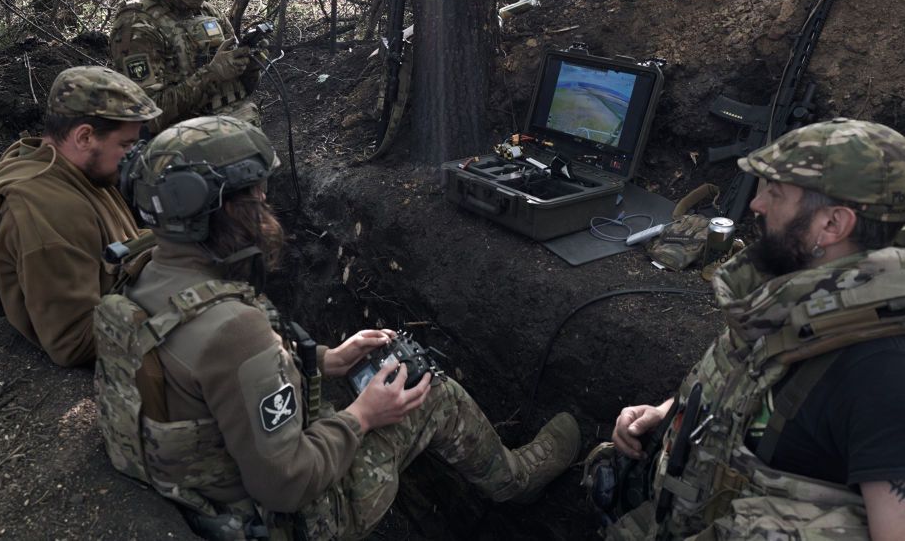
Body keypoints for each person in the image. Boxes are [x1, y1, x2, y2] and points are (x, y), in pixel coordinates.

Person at [93, 115, 582, 540]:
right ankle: (515, 481)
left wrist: (325, 360)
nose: (265, 205)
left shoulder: (145, 274)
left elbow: (213, 384)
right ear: (210, 207)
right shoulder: (234, 330)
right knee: (436, 394)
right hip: (295, 519)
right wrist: (362, 416)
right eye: (252, 195)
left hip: (207, 495)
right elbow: (285, 484)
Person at [585, 118, 905, 540]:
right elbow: (754, 382)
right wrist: (669, 413)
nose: (757, 205)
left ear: (832, 225)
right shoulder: (800, 294)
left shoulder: (883, 373)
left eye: (776, 193)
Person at [0, 66, 162, 367]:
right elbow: (73, 341)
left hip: (117, 294)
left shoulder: (74, 168)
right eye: (125, 145)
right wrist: (178, 302)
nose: (132, 155)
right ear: (85, 136)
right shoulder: (47, 210)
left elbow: (117, 247)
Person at [110, 0, 264, 133]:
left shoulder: (209, 12)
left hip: (244, 143)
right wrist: (211, 74)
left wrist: (250, 66)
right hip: (183, 159)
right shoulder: (136, 23)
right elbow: (146, 120)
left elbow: (241, 91)